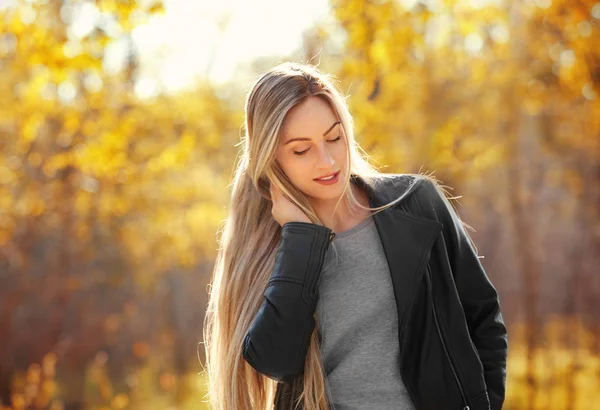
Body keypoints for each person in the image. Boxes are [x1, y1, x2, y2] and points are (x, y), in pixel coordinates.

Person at [202, 62, 508, 410]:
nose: (327, 160)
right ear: (272, 158)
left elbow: (483, 317)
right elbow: (276, 360)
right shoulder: (272, 245)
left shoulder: (415, 204)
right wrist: (301, 238)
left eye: (334, 138)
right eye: (301, 150)